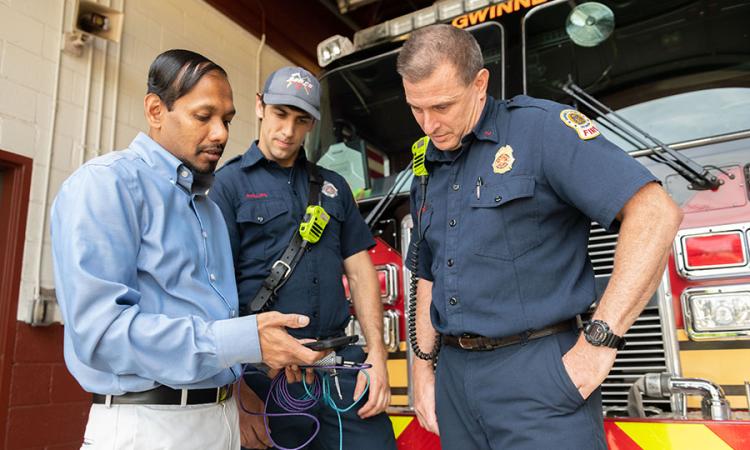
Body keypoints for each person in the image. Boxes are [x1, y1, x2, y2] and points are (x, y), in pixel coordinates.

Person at [398, 25, 683, 449]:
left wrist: (600, 344)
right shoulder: (428, 166)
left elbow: (656, 212)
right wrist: (421, 372)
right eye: (416, 108)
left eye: (441, 106)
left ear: (480, 84)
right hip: (454, 380)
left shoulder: (542, 131)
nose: (428, 124)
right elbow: (429, 272)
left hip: (537, 372)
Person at [50, 49, 325, 450]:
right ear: (155, 110)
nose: (221, 134)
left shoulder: (208, 210)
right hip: (148, 428)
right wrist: (242, 341)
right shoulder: (106, 186)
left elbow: (207, 322)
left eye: (227, 120)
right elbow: (102, 333)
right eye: (204, 117)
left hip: (224, 421)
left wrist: (252, 368)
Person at [210, 66, 396, 450]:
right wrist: (237, 392)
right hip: (267, 377)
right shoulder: (228, 185)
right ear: (260, 106)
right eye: (280, 114)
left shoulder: (333, 187)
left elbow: (361, 272)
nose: (288, 131)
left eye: (301, 120)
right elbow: (215, 290)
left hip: (340, 368)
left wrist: (377, 354)